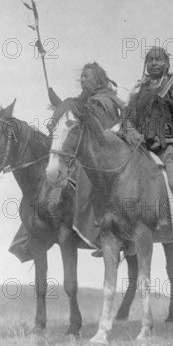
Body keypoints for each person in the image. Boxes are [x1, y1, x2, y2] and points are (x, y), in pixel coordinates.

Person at [9, 62, 123, 261]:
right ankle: (33, 228)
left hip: (101, 155)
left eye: (88, 76)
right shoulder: (81, 101)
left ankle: (102, 232)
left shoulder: (106, 101)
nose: (84, 80)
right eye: (82, 77)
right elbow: (72, 117)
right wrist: (59, 106)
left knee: (86, 179)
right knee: (45, 178)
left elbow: (101, 130)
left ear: (100, 79)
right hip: (78, 152)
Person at [122, 46, 173, 245]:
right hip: (142, 144)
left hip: (168, 145)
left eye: (158, 60)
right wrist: (132, 132)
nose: (154, 63)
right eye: (150, 60)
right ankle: (119, 230)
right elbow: (128, 116)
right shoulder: (139, 89)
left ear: (166, 63)